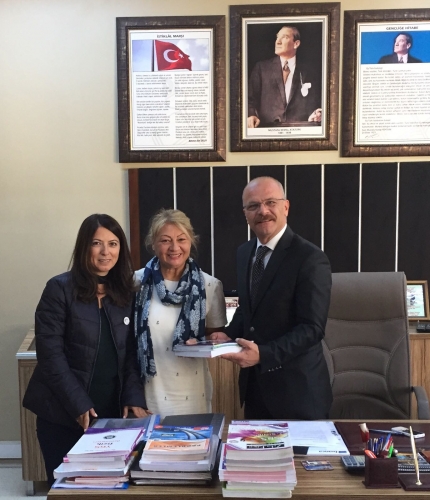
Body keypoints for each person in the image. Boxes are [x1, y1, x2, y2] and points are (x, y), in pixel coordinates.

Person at [23, 214, 148, 486]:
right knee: (69, 489)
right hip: (63, 416)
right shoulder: (59, 289)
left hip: (111, 418)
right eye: (97, 243)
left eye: (113, 244)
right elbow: (51, 357)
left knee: (111, 489)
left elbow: (131, 353)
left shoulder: (126, 292)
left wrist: (133, 396)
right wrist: (79, 404)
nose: (106, 252)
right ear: (84, 246)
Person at [211, 177, 332, 419]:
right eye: (253, 206)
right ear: (245, 213)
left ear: (285, 207)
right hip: (255, 390)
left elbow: (312, 329)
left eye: (270, 202)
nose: (263, 211)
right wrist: (229, 335)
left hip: (298, 394)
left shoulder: (310, 258)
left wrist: (264, 355)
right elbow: (249, 308)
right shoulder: (244, 253)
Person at [134, 208, 227, 416]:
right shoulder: (136, 283)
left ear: (191, 241)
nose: (174, 247)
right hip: (147, 395)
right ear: (153, 244)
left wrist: (210, 341)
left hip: (193, 393)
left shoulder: (210, 285)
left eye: (181, 239)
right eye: (165, 240)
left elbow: (214, 336)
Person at [247, 26, 322, 128]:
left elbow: (316, 103)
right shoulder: (261, 68)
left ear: (296, 44)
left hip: (299, 131)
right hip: (267, 130)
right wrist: (251, 115)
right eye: (277, 37)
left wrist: (315, 115)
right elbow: (249, 99)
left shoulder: (310, 72)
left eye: (285, 37)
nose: (278, 41)